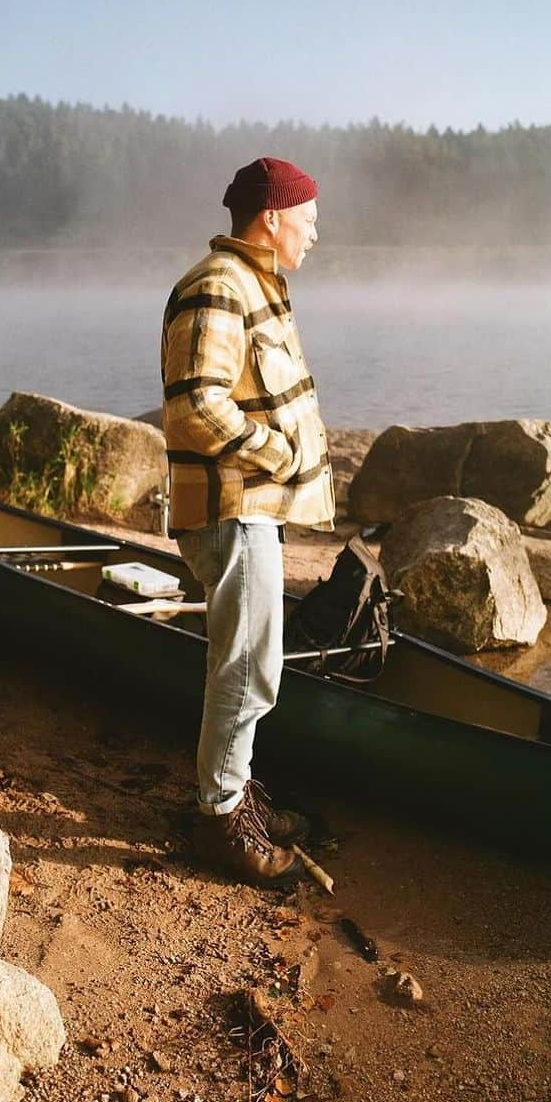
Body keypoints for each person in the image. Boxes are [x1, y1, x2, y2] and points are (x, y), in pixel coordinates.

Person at [160, 157, 336, 887]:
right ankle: (221, 819)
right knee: (247, 669)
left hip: (251, 506)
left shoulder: (253, 286)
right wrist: (280, 452)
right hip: (234, 507)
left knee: (251, 664)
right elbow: (195, 404)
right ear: (272, 217)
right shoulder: (216, 286)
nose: (316, 233)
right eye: (309, 218)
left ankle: (233, 797)